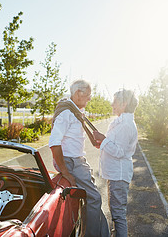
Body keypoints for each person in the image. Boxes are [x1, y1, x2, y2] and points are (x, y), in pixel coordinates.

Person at [49, 79, 109, 237]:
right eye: (88, 95)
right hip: (72, 162)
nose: (90, 99)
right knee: (95, 198)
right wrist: (66, 172)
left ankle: (99, 232)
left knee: (91, 197)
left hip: (77, 161)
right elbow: (54, 143)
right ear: (77, 94)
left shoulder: (74, 111)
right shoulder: (66, 113)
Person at [93, 89, 139, 237]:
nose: (112, 104)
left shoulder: (126, 125)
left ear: (124, 104)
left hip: (119, 175)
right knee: (116, 213)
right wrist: (103, 143)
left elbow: (119, 152)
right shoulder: (121, 122)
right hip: (114, 174)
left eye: (115, 101)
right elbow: (116, 145)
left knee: (118, 215)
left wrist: (103, 139)